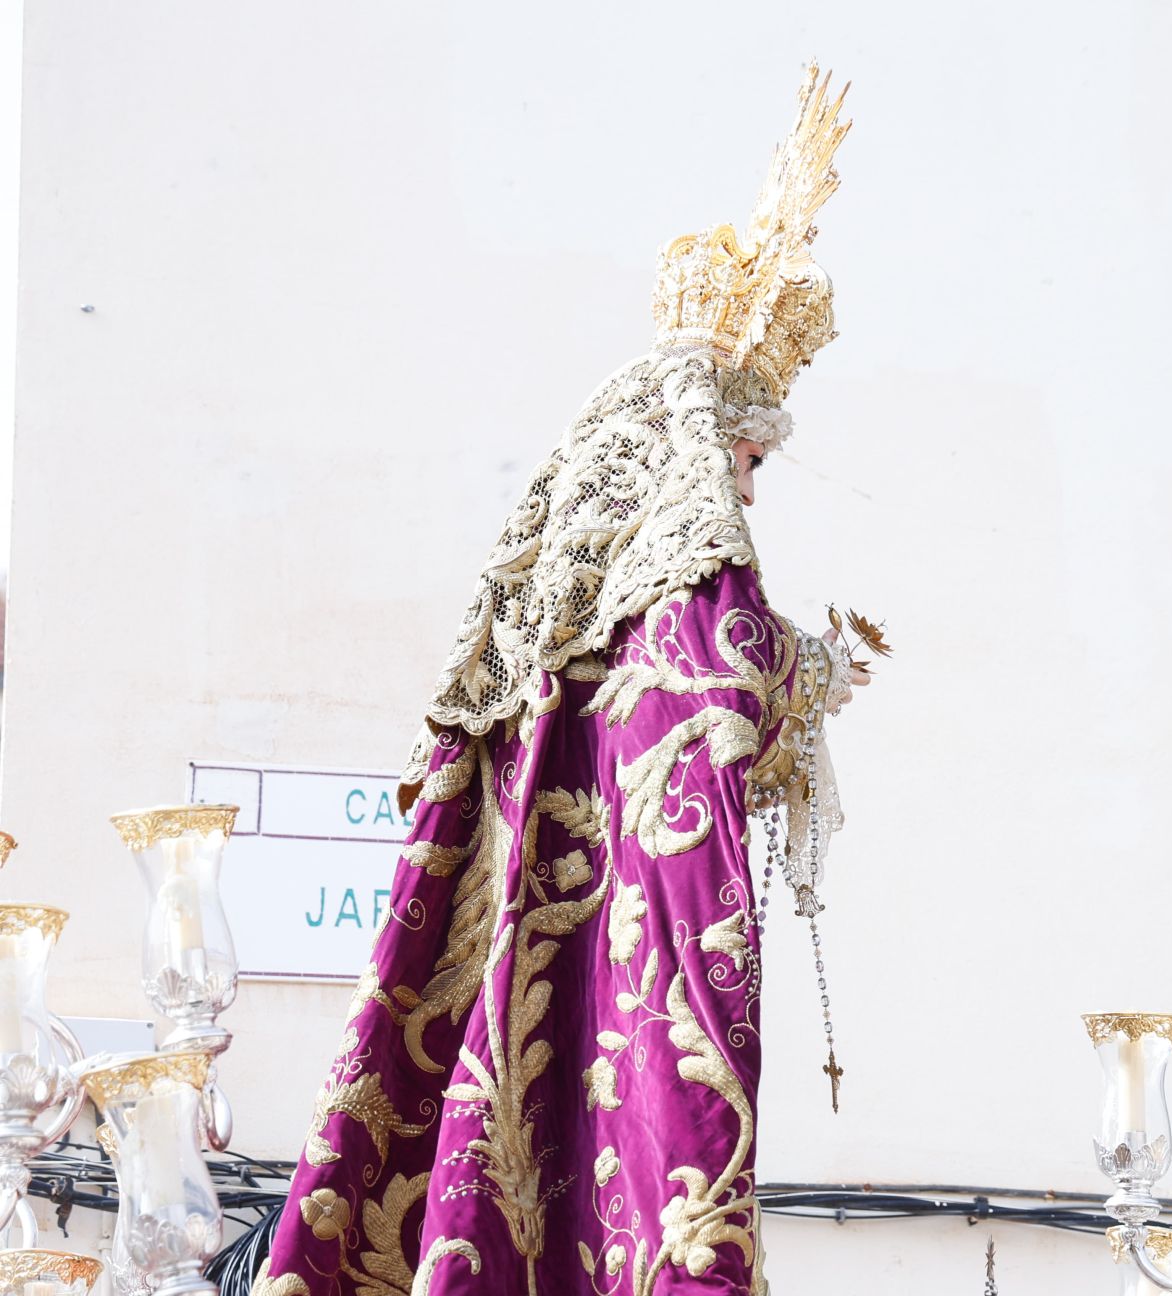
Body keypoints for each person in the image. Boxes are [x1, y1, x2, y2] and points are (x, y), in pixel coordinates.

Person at [256, 68, 871, 1296]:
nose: (747, 492)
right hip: (597, 996)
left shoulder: (549, 595)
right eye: (747, 458)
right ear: (698, 443)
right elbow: (717, 689)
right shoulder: (691, 568)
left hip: (543, 978)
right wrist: (813, 668)